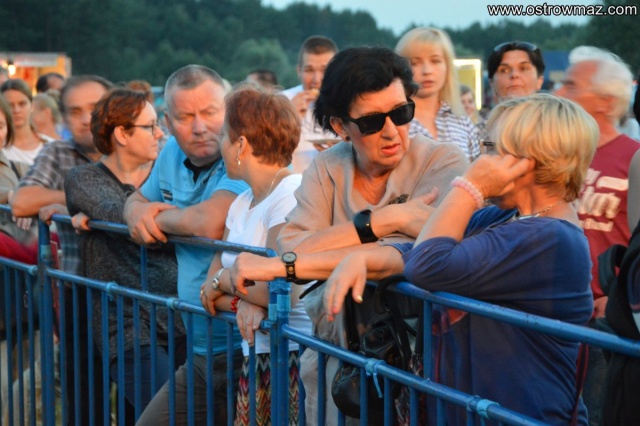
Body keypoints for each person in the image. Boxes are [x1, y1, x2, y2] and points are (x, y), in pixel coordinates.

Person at [225, 46, 468, 425]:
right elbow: (291, 245)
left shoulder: (443, 162)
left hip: (421, 365)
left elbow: (420, 253)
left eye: (402, 113)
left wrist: (326, 250)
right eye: (371, 122)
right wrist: (384, 220)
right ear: (340, 127)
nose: (392, 131)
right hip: (336, 365)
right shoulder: (327, 168)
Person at [322, 93, 597, 425]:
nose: (480, 159)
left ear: (529, 160)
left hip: (523, 416)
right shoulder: (507, 216)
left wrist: (469, 188)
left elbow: (426, 264)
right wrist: (364, 258)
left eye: (491, 148)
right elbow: (424, 248)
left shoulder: (549, 238)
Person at [128, 65, 248, 426]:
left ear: (228, 111)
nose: (199, 127)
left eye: (209, 113)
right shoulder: (169, 155)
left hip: (246, 349)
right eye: (184, 117)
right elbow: (136, 200)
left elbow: (209, 223)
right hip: (199, 349)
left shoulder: (243, 155)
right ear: (167, 122)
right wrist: (136, 212)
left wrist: (158, 219)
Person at [64, 88, 186, 420]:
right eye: (150, 126)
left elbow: (202, 224)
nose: (160, 133)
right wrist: (180, 223)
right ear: (121, 134)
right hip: (127, 323)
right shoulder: (84, 178)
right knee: (169, 415)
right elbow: (124, 217)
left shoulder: (166, 174)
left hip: (179, 317)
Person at [199, 86, 309, 425]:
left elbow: (281, 291)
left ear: (241, 144)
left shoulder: (290, 193)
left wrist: (228, 282)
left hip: (292, 354)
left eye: (223, 135)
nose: (219, 144)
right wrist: (245, 301)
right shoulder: (241, 202)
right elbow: (206, 292)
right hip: (260, 354)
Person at [10, 74, 112, 426]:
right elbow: (22, 200)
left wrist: (80, 202)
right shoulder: (59, 152)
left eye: (94, 109)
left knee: (139, 398)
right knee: (81, 397)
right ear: (64, 117)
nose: (86, 119)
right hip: (78, 290)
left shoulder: (138, 147)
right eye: (75, 111)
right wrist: (73, 198)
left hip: (136, 293)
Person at [555, 45, 640, 426]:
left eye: (572, 86)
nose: (559, 92)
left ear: (605, 101)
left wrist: (619, 296)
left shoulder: (633, 157)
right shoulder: (558, 157)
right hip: (551, 311)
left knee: (597, 414)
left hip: (603, 319)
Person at [395, 27, 480, 161]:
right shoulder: (393, 122)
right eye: (415, 63)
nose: (427, 70)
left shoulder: (462, 122)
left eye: (435, 61)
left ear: (447, 66)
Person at [282, 35, 339, 172]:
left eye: (324, 70)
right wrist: (288, 116)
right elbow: (266, 150)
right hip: (293, 181)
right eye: (309, 70)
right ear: (299, 71)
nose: (316, 80)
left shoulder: (349, 102)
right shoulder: (282, 100)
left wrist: (343, 150)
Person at [0, 78, 49, 164]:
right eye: (9, 105)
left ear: (32, 105)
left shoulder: (50, 146)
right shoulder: (2, 148)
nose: (16, 110)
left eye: (22, 104)